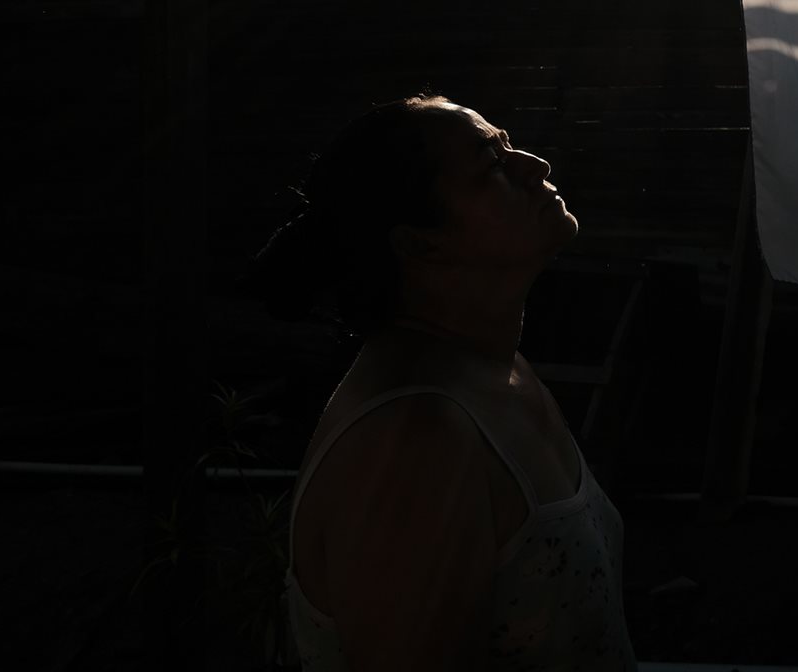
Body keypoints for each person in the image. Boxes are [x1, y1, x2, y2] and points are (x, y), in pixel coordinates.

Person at [248, 95, 636, 670]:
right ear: (419, 243)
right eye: (493, 165)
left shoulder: (492, 370)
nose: (536, 165)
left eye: (507, 145)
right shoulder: (415, 438)